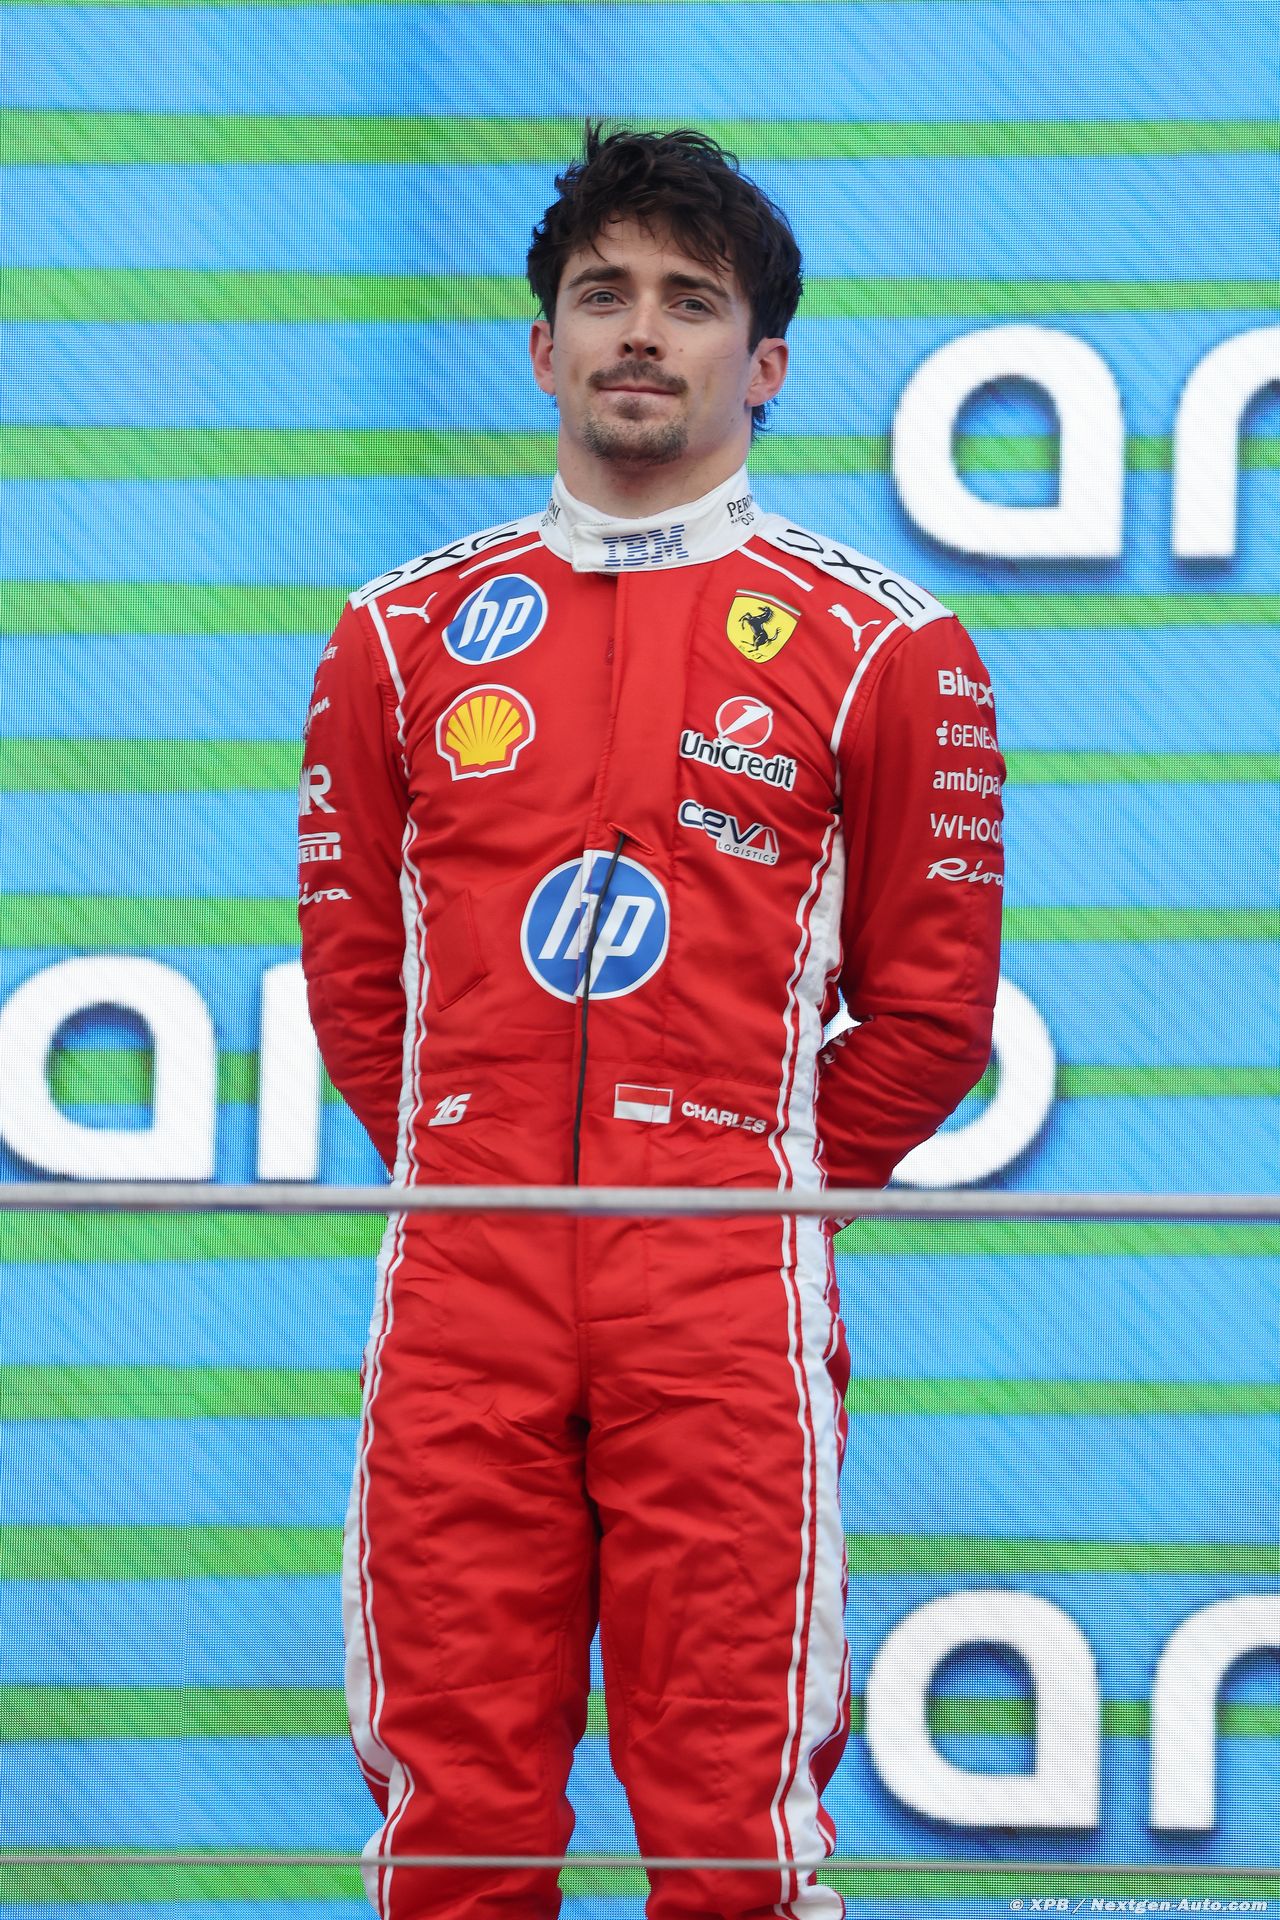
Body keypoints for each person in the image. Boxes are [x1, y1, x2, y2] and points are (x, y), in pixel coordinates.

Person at [299, 124, 1004, 1920]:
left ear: (765, 366)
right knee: (452, 1834)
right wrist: (491, 1176)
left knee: (733, 1835)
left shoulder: (890, 648)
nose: (639, 330)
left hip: (724, 1289)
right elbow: (361, 993)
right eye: (602, 294)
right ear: (540, 347)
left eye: (691, 301)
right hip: (462, 1280)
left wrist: (742, 1193)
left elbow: (932, 1017)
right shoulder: (398, 637)